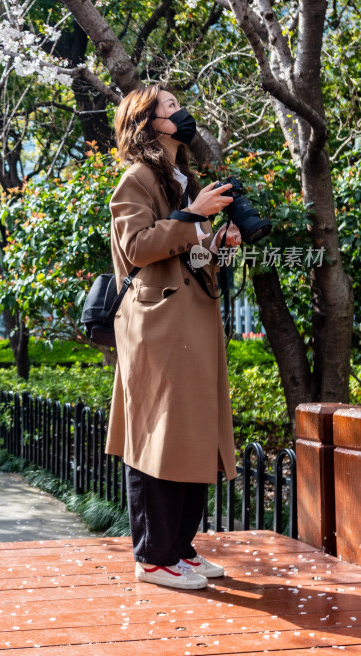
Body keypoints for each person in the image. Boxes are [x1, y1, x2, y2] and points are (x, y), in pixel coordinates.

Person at [106, 83, 241, 590]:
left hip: (193, 323)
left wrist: (220, 244)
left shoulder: (183, 181)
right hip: (157, 328)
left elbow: (193, 259)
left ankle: (180, 549)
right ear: (148, 121)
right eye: (170, 107)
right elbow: (138, 247)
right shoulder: (137, 179)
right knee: (156, 437)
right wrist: (191, 218)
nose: (181, 113)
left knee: (192, 433)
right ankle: (153, 556)